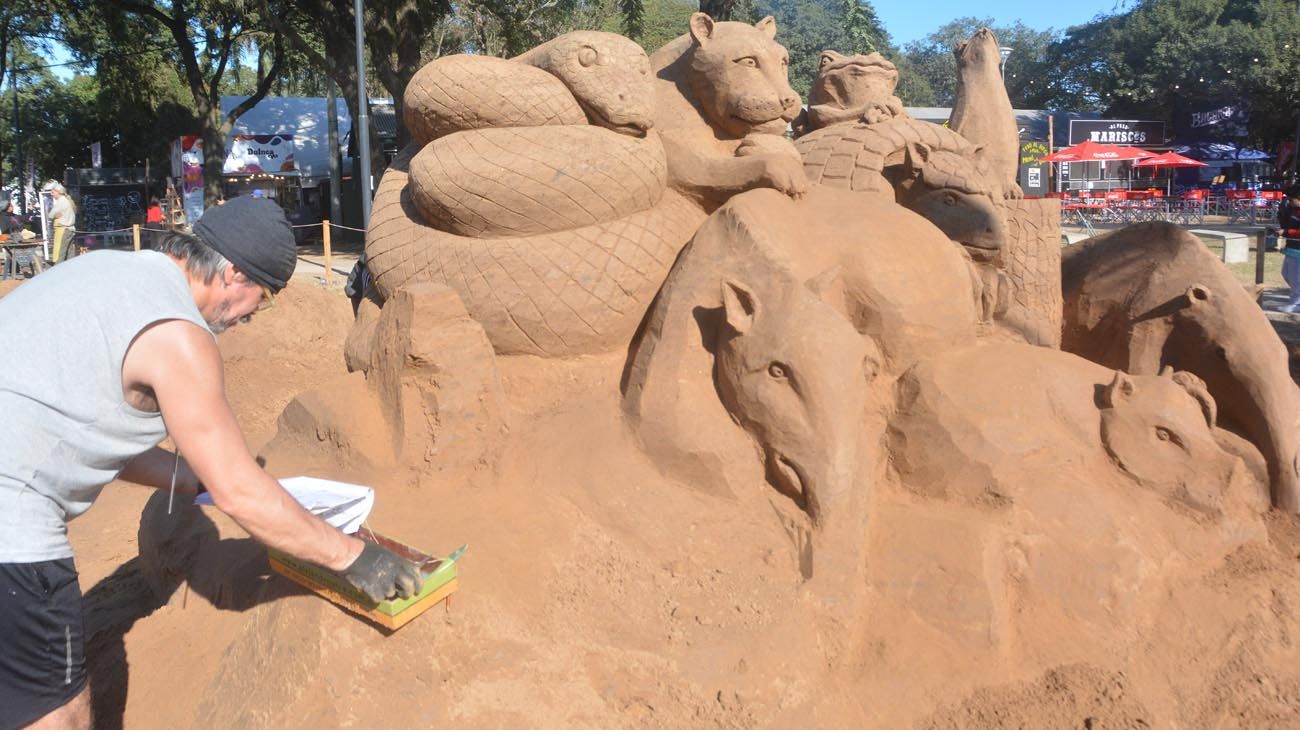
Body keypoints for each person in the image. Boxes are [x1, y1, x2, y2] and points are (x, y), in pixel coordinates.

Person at [0, 195, 424, 729]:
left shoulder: (105, 273)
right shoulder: (179, 334)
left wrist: (197, 478)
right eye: (262, 298)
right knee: (55, 713)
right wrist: (353, 557)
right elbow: (239, 493)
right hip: (12, 535)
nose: (250, 317)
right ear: (231, 273)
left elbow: (98, 439)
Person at [1277, 185, 1300, 313]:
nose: (1289, 202)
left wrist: (1286, 232)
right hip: (1292, 247)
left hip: (1298, 249)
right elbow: (1285, 224)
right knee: (1286, 274)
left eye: (1291, 200)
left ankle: (1296, 303)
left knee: (1296, 277)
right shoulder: (1293, 210)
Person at [44, 181, 77, 263]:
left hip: (63, 230)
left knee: (59, 254)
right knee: (70, 254)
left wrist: (54, 216)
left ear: (58, 192)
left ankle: (57, 272)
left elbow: (51, 215)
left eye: (53, 192)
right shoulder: (66, 200)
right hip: (70, 230)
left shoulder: (61, 201)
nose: (51, 194)